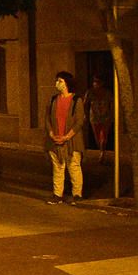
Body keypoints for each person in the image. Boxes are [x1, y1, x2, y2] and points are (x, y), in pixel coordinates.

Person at [45, 71, 85, 205]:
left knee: (74, 167)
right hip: (55, 140)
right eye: (57, 81)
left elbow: (79, 121)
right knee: (58, 168)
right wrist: (52, 134)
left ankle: (77, 195)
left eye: (60, 81)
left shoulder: (76, 100)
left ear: (67, 83)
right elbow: (47, 118)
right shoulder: (53, 100)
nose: (57, 83)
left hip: (72, 141)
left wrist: (67, 137)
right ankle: (57, 195)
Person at [85, 75, 113, 163]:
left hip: (106, 117)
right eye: (94, 82)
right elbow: (85, 103)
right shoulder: (90, 92)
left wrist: (112, 114)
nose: (96, 84)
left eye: (98, 82)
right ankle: (100, 149)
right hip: (94, 117)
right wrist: (84, 114)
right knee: (97, 136)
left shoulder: (107, 93)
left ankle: (102, 152)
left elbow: (111, 103)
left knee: (103, 135)